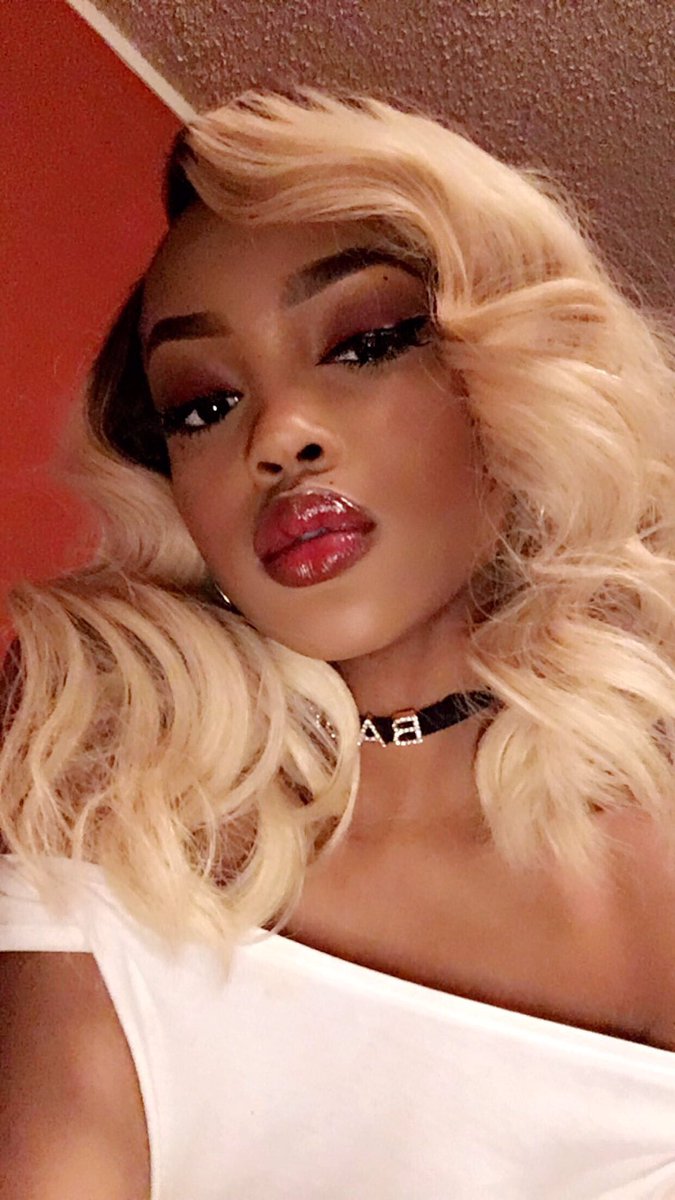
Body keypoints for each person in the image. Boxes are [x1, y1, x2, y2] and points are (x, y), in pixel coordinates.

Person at [1, 88, 675, 1199]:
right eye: (203, 405)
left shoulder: (650, 884)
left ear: (508, 379)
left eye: (362, 344)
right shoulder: (104, 805)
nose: (278, 434)